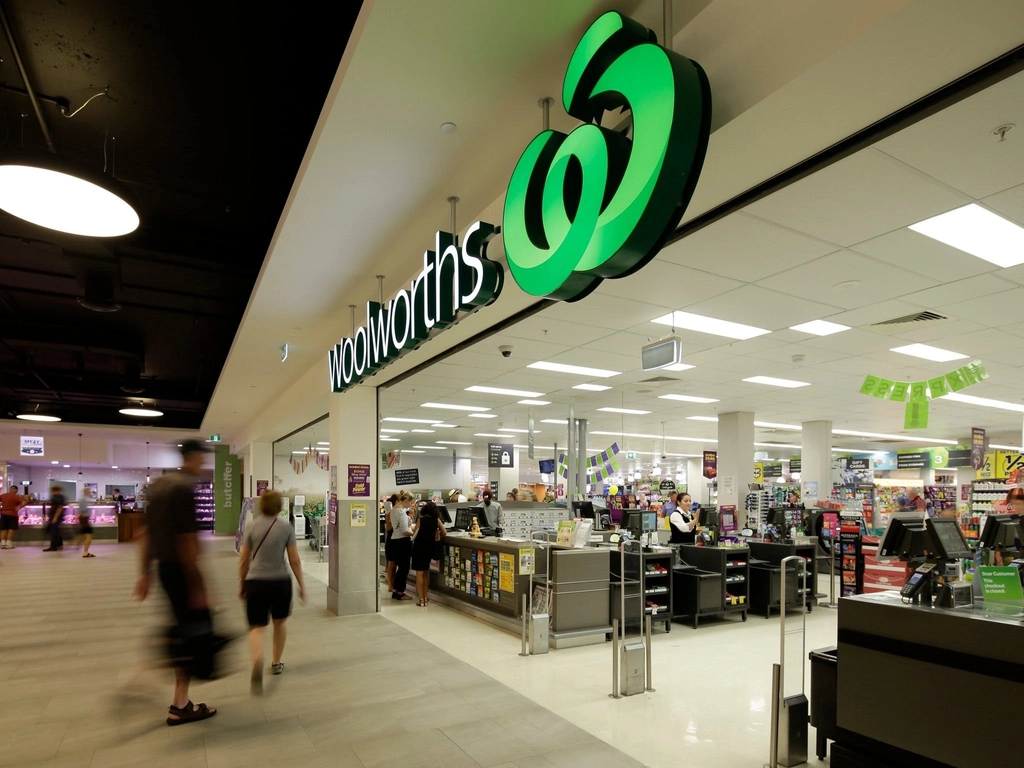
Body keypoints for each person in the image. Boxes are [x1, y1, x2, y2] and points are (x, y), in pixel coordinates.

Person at [133, 440, 218, 726]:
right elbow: (186, 542)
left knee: (184, 631)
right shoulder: (183, 489)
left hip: (163, 569)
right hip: (181, 572)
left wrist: (144, 573)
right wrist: (198, 585)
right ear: (193, 458)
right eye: (202, 460)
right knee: (192, 636)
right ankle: (178, 704)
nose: (203, 466)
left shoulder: (159, 486)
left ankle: (181, 700)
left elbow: (143, 533)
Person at [238, 489, 307, 694]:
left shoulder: (251, 527)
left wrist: (242, 583)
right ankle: (276, 662)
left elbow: (243, 560)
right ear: (280, 506)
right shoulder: (286, 528)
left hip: (255, 582)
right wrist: (302, 585)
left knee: (257, 626)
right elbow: (294, 560)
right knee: (280, 621)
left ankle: (258, 660)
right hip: (280, 582)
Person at [411, 500, 446, 606]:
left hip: (418, 549)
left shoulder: (421, 520)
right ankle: (426, 598)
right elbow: (444, 532)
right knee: (426, 574)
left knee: (419, 575)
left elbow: (414, 533)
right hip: (430, 549)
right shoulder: (436, 520)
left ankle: (421, 600)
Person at [388, 491, 415, 601]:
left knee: (400, 568)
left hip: (395, 541)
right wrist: (414, 534)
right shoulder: (401, 513)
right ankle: (400, 592)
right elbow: (405, 531)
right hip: (403, 543)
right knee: (404, 568)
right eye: (410, 502)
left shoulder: (394, 510)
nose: (410, 504)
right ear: (406, 500)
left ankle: (395, 590)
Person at [0, 484, 25, 549]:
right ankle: (8, 544)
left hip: (3, 513)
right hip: (12, 514)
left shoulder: (3, 495)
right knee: (11, 529)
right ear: (16, 490)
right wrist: (19, 507)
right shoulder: (16, 497)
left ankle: (2, 544)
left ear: (10, 489)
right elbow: (24, 502)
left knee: (3, 529)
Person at [383, 493, 399, 593]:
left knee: (394, 563)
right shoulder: (389, 513)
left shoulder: (399, 512)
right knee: (392, 563)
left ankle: (393, 583)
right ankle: (390, 584)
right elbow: (389, 527)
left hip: (396, 539)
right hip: (392, 540)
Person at [43, 485, 66, 552]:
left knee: (54, 532)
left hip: (55, 517)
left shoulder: (58, 497)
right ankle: (59, 544)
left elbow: (60, 507)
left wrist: (55, 517)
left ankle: (53, 546)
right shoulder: (59, 497)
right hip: (56, 516)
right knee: (56, 531)